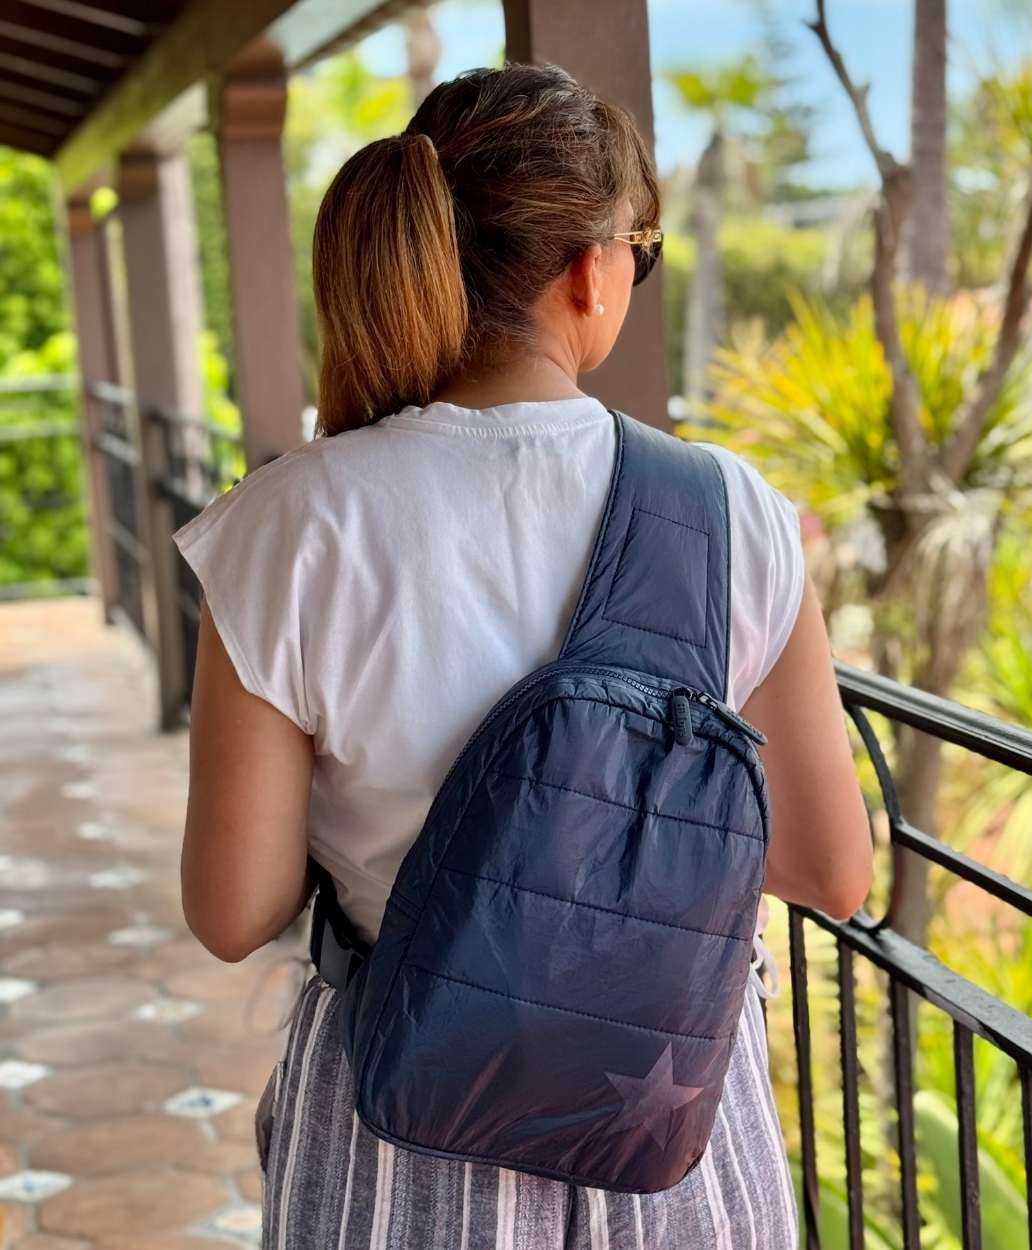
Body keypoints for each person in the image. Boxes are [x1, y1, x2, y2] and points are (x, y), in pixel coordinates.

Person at [174, 62, 873, 1250]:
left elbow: (234, 907)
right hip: (674, 1149)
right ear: (590, 270)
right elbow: (829, 869)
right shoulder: (731, 512)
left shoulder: (286, 524)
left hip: (397, 1137)